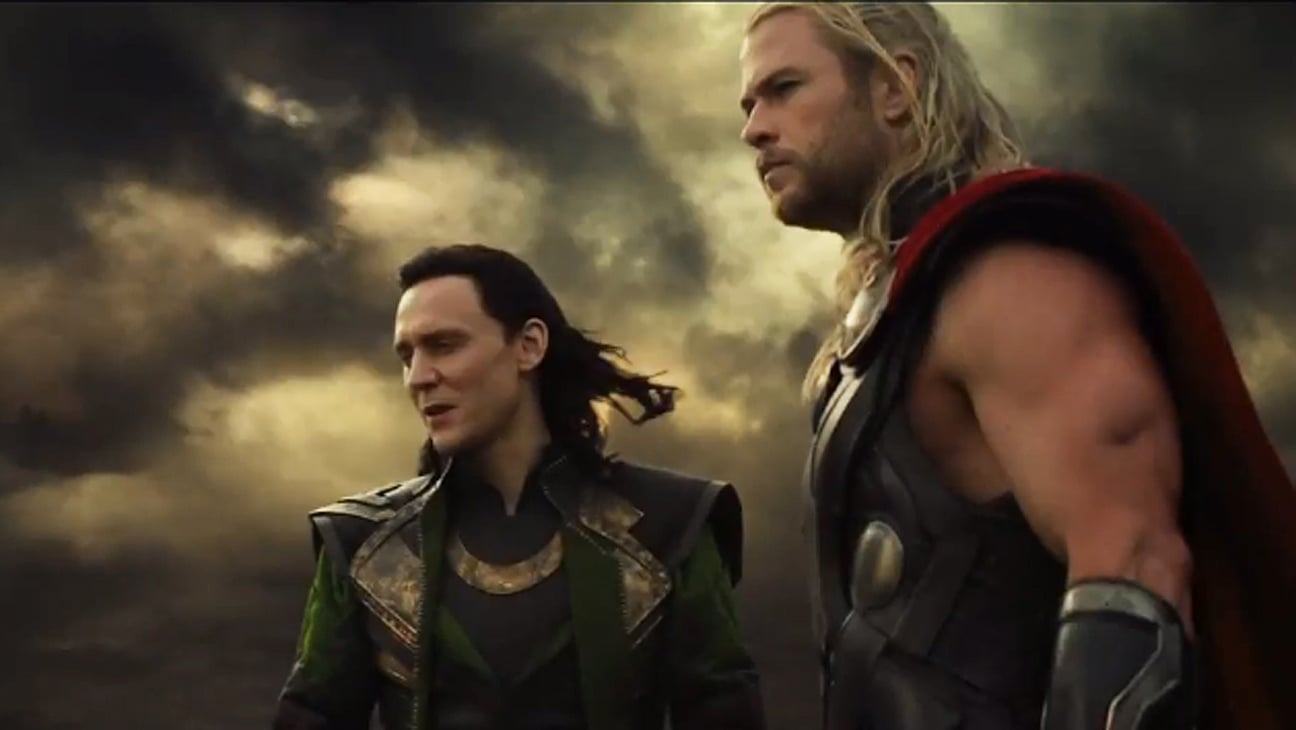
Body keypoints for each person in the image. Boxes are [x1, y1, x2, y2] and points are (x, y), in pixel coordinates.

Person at [737, 3, 1296, 729]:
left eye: (784, 89)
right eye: (749, 106)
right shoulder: (889, 319)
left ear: (895, 89)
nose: (754, 129)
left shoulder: (1010, 277)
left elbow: (1133, 563)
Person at [271, 244, 767, 730]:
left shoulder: (669, 525)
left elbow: (723, 712)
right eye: (407, 355)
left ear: (529, 345)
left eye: (444, 345)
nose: (419, 377)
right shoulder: (366, 544)